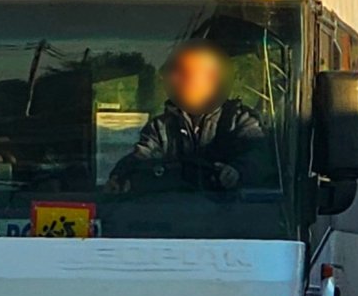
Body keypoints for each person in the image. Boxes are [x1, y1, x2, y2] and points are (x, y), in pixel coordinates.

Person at [108, 41, 269, 192]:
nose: (174, 79)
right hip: (174, 214)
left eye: (184, 73)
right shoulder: (161, 127)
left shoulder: (240, 121)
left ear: (212, 78)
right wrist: (119, 176)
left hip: (232, 215)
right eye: (173, 73)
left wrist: (237, 172)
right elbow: (141, 156)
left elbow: (259, 157)